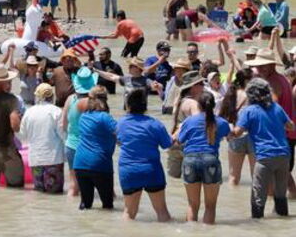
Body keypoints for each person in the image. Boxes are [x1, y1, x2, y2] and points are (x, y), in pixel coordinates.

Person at [231, 77, 296, 218]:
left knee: (258, 197)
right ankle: (282, 222)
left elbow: (237, 132)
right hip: (284, 155)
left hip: (264, 157)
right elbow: (291, 126)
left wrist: (226, 128)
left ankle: (257, 225)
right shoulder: (277, 108)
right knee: (280, 194)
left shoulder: (249, 111)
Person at [245, 44, 296, 194]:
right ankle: (291, 199)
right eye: (258, 66)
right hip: (287, 132)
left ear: (272, 65)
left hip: (279, 134)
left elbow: (270, 108)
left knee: (273, 176)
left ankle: (274, 208)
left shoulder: (273, 82)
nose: (259, 69)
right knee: (284, 173)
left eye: (263, 66)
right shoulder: (281, 78)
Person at [116, 88, 173, 222]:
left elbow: (119, 141)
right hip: (151, 170)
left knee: (129, 213)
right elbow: (167, 144)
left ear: (128, 105)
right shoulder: (155, 124)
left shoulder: (120, 123)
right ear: (145, 106)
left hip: (128, 170)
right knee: (162, 211)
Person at [174, 91, 229, 224]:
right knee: (210, 206)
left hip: (190, 160)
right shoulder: (221, 122)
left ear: (198, 105)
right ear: (214, 106)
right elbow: (231, 135)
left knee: (192, 205)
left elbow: (179, 140)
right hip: (210, 160)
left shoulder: (189, 121)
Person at [73, 86, 118, 210]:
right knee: (107, 206)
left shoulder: (84, 116)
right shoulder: (105, 117)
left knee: (85, 204)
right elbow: (121, 134)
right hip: (100, 164)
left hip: (80, 163)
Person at [20, 83, 65, 193]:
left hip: (35, 160)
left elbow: (23, 136)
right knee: (54, 195)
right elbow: (64, 135)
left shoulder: (29, 112)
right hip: (54, 160)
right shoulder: (57, 111)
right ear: (52, 96)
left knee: (39, 194)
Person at [62, 66, 96, 196]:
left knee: (73, 186)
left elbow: (63, 125)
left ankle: (70, 213)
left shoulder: (70, 99)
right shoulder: (96, 103)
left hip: (71, 145)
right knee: (100, 185)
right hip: (90, 146)